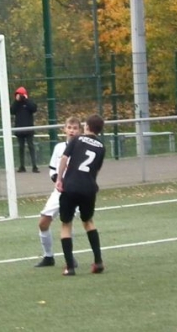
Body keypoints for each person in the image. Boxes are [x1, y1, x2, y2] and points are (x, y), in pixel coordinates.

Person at [56, 114, 106, 276]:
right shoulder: (101, 146)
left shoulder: (76, 139)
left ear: (86, 126)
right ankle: (98, 261)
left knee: (66, 224)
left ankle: (70, 267)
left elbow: (64, 159)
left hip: (71, 186)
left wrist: (59, 179)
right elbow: (96, 169)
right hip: (88, 188)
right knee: (88, 221)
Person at [33, 116, 82, 267]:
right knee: (43, 222)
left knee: (66, 223)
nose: (72, 131)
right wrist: (58, 180)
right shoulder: (59, 148)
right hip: (59, 192)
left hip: (74, 193)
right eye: (69, 128)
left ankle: (70, 258)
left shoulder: (82, 149)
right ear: (64, 129)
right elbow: (53, 170)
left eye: (75, 128)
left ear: (80, 131)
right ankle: (48, 257)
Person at [10, 86, 39, 172]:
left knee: (31, 146)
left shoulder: (28, 103)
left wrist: (26, 100)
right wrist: (16, 101)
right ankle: (22, 166)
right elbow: (12, 111)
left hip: (29, 128)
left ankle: (34, 166)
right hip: (19, 129)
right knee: (21, 147)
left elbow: (34, 108)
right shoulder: (16, 104)